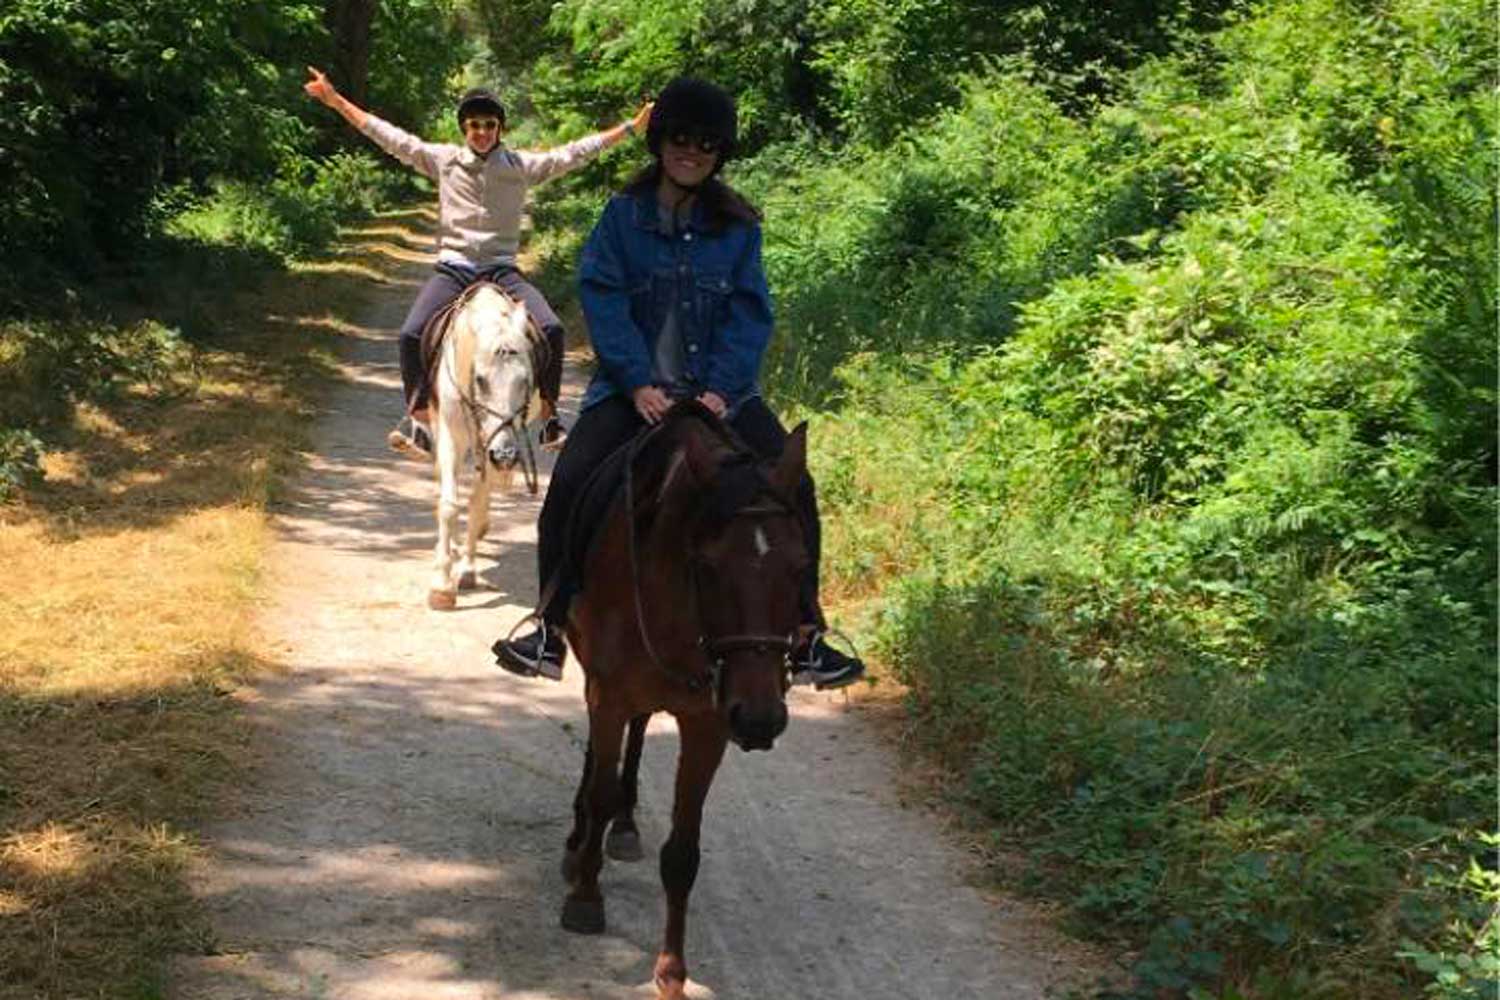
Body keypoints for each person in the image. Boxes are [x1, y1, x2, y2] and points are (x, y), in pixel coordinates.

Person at [493, 76, 864, 690]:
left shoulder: (739, 229)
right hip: (631, 394)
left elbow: (751, 313)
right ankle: (550, 625)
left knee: (794, 488)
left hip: (723, 395)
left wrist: (720, 389)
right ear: (660, 142)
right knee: (572, 485)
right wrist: (637, 382)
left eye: (707, 144)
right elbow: (603, 297)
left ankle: (808, 633)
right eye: (681, 139)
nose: (692, 152)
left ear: (720, 154)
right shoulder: (621, 218)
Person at [303, 67, 652, 459]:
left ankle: (550, 419)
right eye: (473, 125)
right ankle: (421, 420)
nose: (481, 131)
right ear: (464, 129)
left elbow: (575, 152)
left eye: (489, 124)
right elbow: (385, 135)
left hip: (502, 271)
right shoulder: (442, 160)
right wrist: (334, 101)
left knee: (552, 329)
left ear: (500, 128)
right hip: (454, 268)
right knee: (411, 334)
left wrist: (631, 129)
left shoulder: (520, 167)